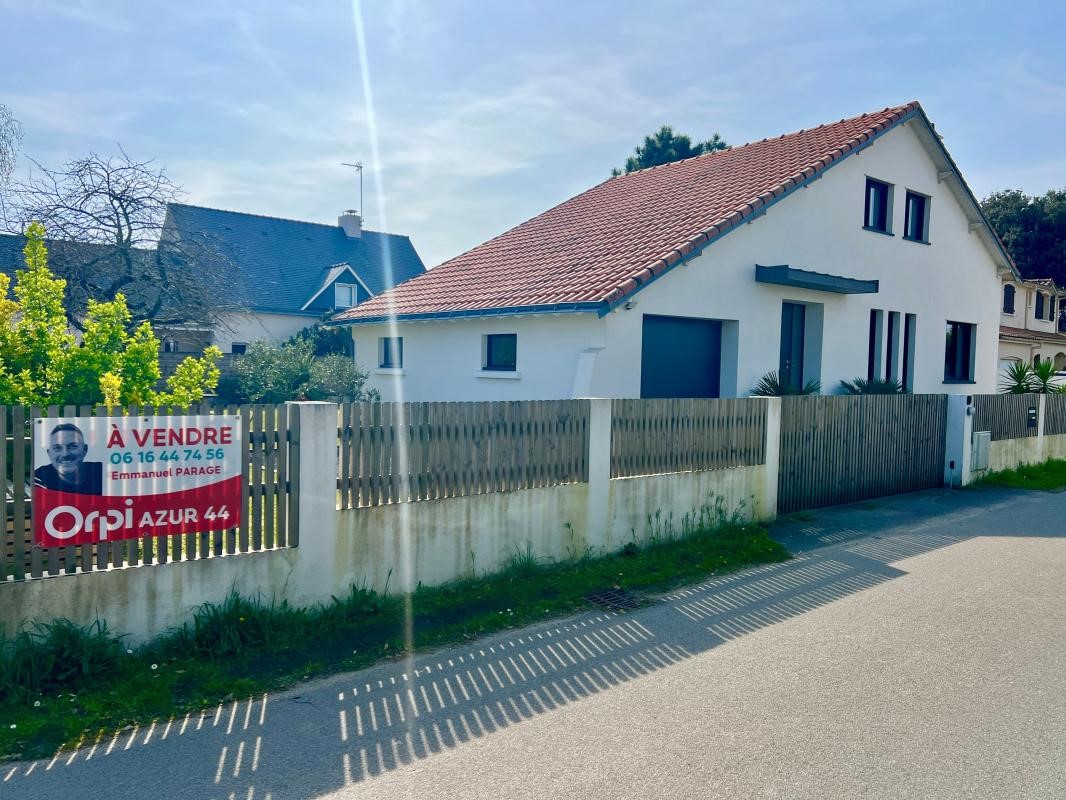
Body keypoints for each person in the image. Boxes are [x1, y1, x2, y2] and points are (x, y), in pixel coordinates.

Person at [34, 423, 103, 495]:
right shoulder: (39, 477)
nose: (65, 454)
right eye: (57, 448)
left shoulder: (101, 471)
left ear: (85, 450)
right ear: (49, 454)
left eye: (73, 446)